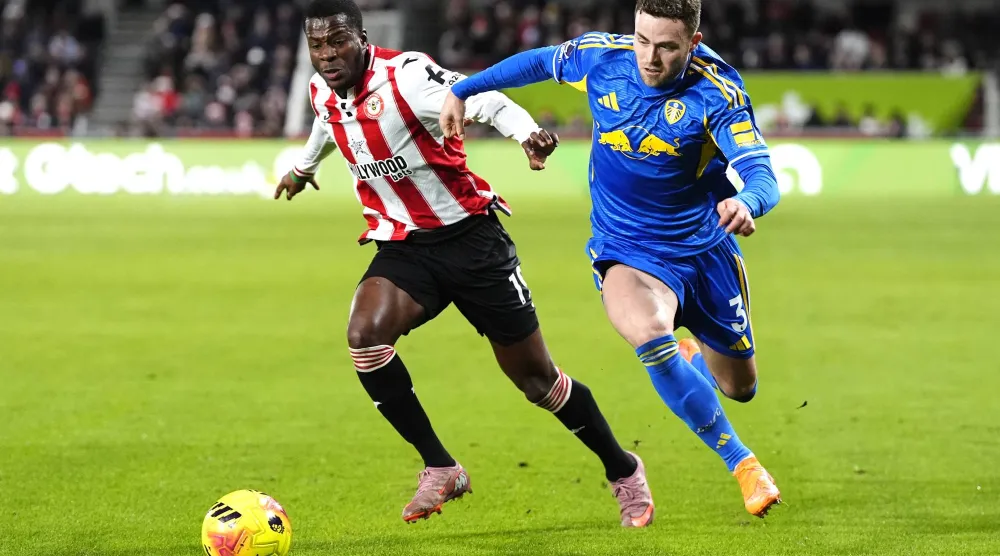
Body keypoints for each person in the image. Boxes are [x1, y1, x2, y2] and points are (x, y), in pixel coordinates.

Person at [273, 0, 655, 527]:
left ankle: (623, 469)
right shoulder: (323, 91)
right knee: (364, 337)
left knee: (538, 382)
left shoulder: (407, 77)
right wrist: (302, 169)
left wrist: (526, 134)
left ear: (361, 38)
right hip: (406, 248)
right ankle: (441, 466)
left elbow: (485, 98)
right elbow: (325, 123)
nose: (327, 54)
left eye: (337, 41)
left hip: (473, 244)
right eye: (317, 45)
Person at [441, 0, 782, 518]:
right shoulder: (603, 59)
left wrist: (747, 201)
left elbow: (762, 175)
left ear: (693, 43)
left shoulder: (717, 93)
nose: (650, 57)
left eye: (666, 47)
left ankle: (694, 359)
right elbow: (537, 62)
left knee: (741, 388)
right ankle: (743, 464)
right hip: (627, 248)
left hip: (704, 249)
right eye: (643, 40)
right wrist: (463, 89)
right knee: (649, 333)